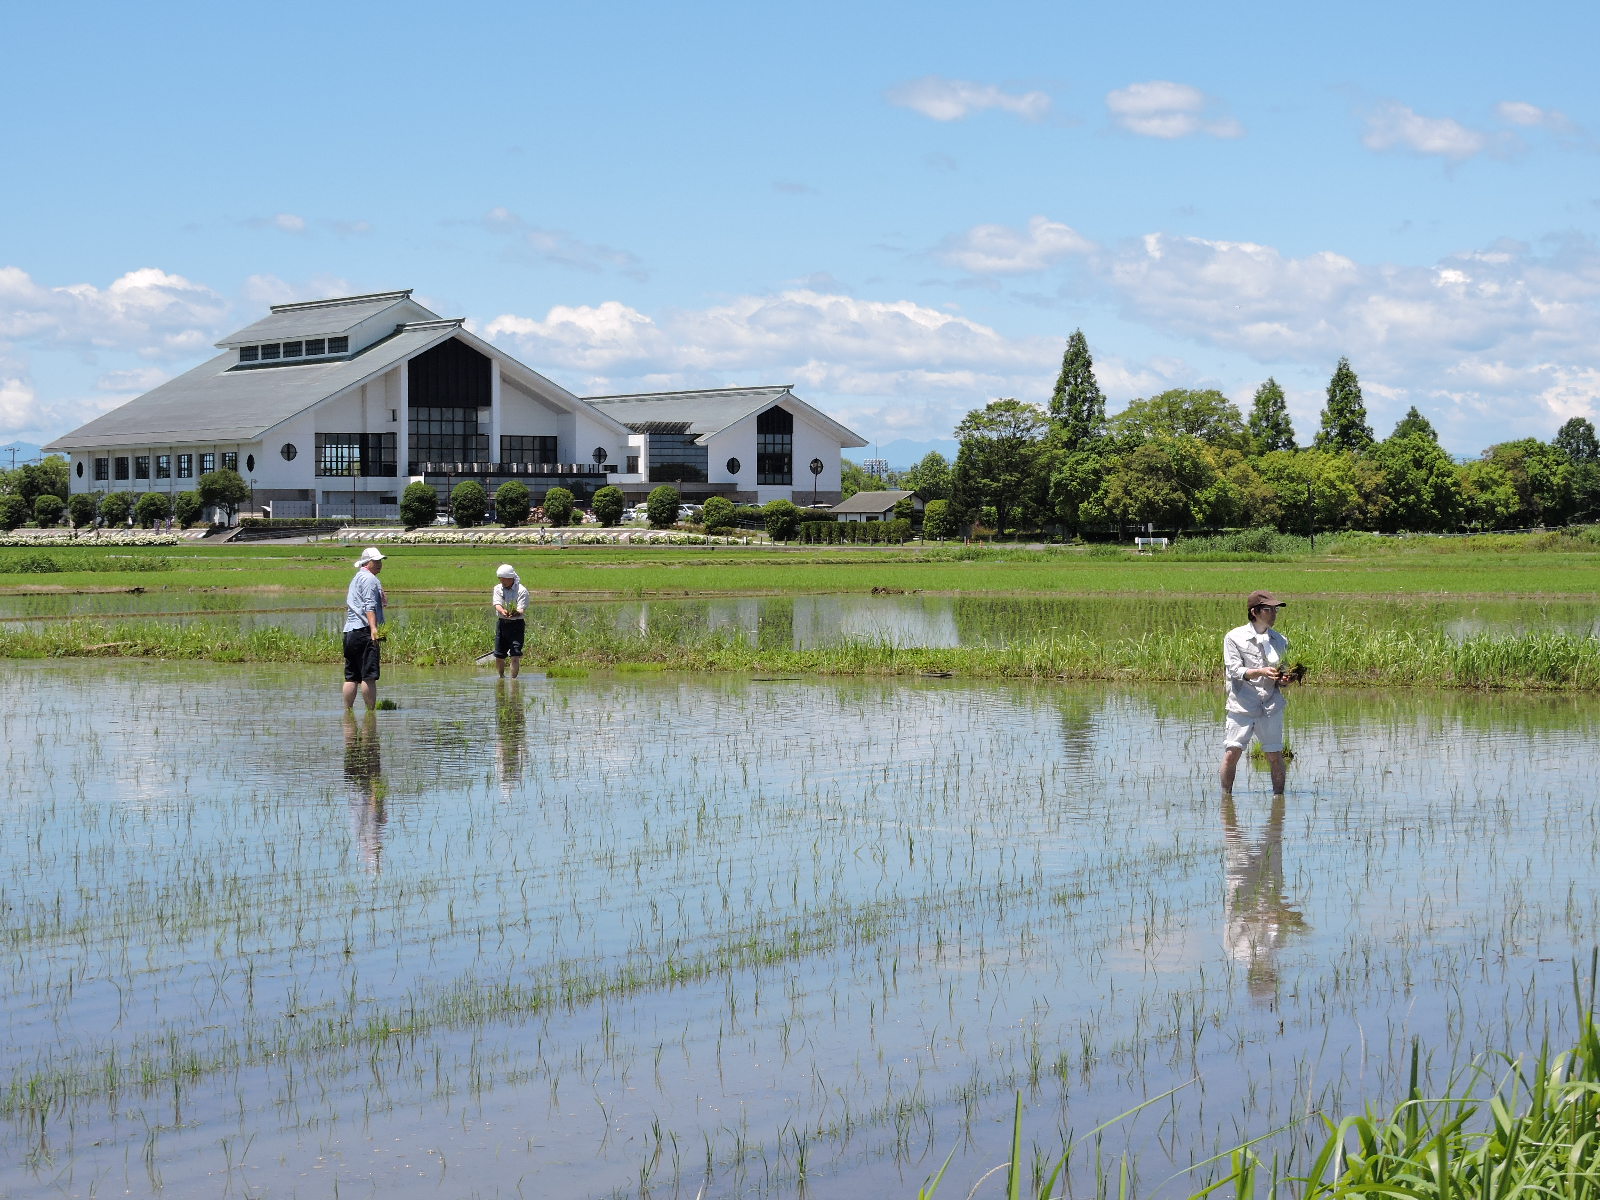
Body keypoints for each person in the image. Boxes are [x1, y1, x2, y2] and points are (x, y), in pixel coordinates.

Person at [1220, 590, 1293, 794]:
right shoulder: (1234, 637)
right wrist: (1260, 671)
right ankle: (1226, 802)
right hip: (1242, 704)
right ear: (1255, 612)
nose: (1274, 614)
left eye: (1275, 610)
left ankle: (1279, 800)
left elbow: (1283, 675)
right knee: (1232, 752)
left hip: (1270, 705)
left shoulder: (1281, 640)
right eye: (1269, 610)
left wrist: (1285, 679)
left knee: (1274, 755)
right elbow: (1235, 670)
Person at [342, 546, 387, 710]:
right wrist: (374, 629)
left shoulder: (357, 578)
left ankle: (348, 712)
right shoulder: (369, 579)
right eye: (375, 561)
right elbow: (370, 605)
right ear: (367, 563)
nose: (379, 564)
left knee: (351, 676)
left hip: (350, 632)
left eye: (380, 560)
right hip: (364, 631)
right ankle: (371, 714)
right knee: (369, 676)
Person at [492, 563, 529, 679]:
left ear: (511, 578)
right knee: (499, 655)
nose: (502, 581)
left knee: (515, 654)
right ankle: (501, 678)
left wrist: (514, 613)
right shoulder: (498, 588)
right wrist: (503, 611)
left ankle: (513, 681)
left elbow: (521, 609)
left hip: (516, 625)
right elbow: (497, 604)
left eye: (504, 579)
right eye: (500, 579)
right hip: (502, 624)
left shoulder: (522, 590)